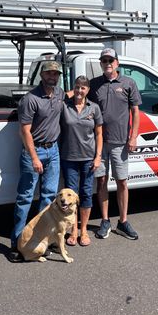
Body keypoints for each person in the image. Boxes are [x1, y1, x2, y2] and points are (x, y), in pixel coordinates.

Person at [9, 61, 65, 261]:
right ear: (42, 75)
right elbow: (24, 131)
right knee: (24, 198)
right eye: (49, 73)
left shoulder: (59, 94)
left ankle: (41, 239)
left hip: (54, 150)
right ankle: (16, 243)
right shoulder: (30, 99)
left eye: (56, 74)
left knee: (49, 197)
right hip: (34, 151)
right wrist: (34, 157)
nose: (53, 76)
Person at [89, 48, 141, 240]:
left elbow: (135, 111)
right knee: (101, 180)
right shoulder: (94, 84)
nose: (107, 63)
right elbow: (79, 98)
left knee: (122, 182)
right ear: (101, 63)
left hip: (121, 143)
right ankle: (105, 221)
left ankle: (123, 221)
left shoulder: (128, 83)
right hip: (100, 143)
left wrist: (133, 136)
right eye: (104, 60)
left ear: (117, 63)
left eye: (111, 59)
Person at [60, 75, 103, 247]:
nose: (79, 91)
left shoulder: (94, 108)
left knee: (85, 193)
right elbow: (59, 96)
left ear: (88, 90)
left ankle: (83, 230)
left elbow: (99, 134)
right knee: (70, 196)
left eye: (83, 88)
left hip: (88, 159)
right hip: (69, 157)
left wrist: (98, 156)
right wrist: (70, 94)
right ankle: (73, 230)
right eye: (77, 87)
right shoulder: (65, 106)